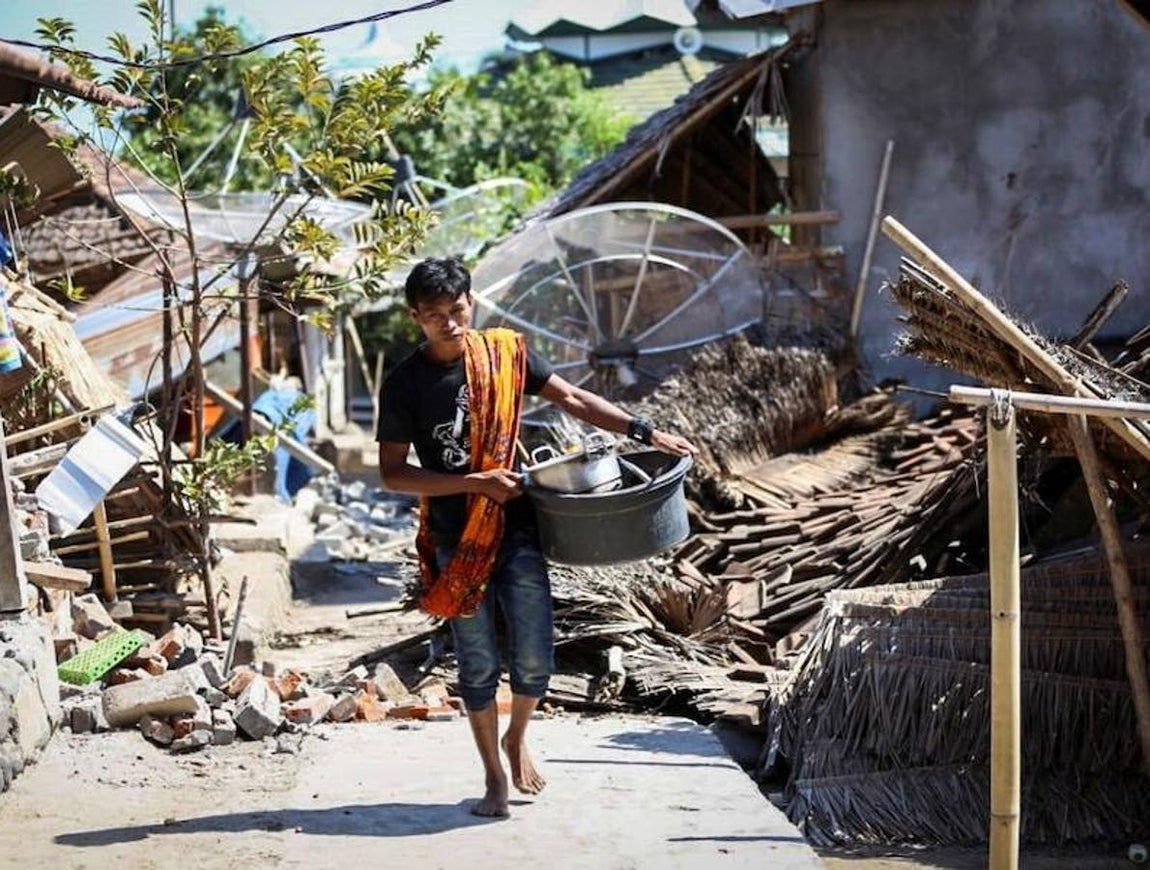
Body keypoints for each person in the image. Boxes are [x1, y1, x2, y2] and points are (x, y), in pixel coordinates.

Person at [376, 256, 696, 819]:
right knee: (476, 663)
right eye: (435, 316)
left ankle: (516, 735)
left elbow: (573, 398)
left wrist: (645, 430)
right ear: (415, 317)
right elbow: (393, 473)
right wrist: (473, 482)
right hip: (457, 537)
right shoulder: (405, 383)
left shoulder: (505, 355)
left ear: (470, 303)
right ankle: (494, 777)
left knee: (534, 653)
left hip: (518, 528)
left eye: (457, 310)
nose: (450, 324)